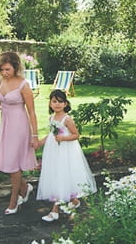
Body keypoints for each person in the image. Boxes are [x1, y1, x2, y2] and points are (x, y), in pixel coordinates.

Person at [0, 52, 39, 214]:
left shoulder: (24, 85)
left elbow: (31, 112)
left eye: (8, 69)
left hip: (19, 126)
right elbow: (2, 99)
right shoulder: (1, 80)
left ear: (16, 67)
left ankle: (14, 200)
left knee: (13, 164)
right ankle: (25, 188)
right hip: (6, 125)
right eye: (2, 69)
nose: (4, 73)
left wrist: (35, 136)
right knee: (9, 163)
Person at [36, 90, 96, 222]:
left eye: (60, 101)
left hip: (66, 151)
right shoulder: (51, 118)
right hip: (54, 151)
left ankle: (54, 211)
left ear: (65, 104)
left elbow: (75, 135)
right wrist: (40, 142)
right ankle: (74, 201)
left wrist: (63, 138)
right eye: (54, 101)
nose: (57, 104)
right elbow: (52, 134)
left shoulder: (67, 119)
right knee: (57, 175)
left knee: (62, 175)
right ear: (50, 103)